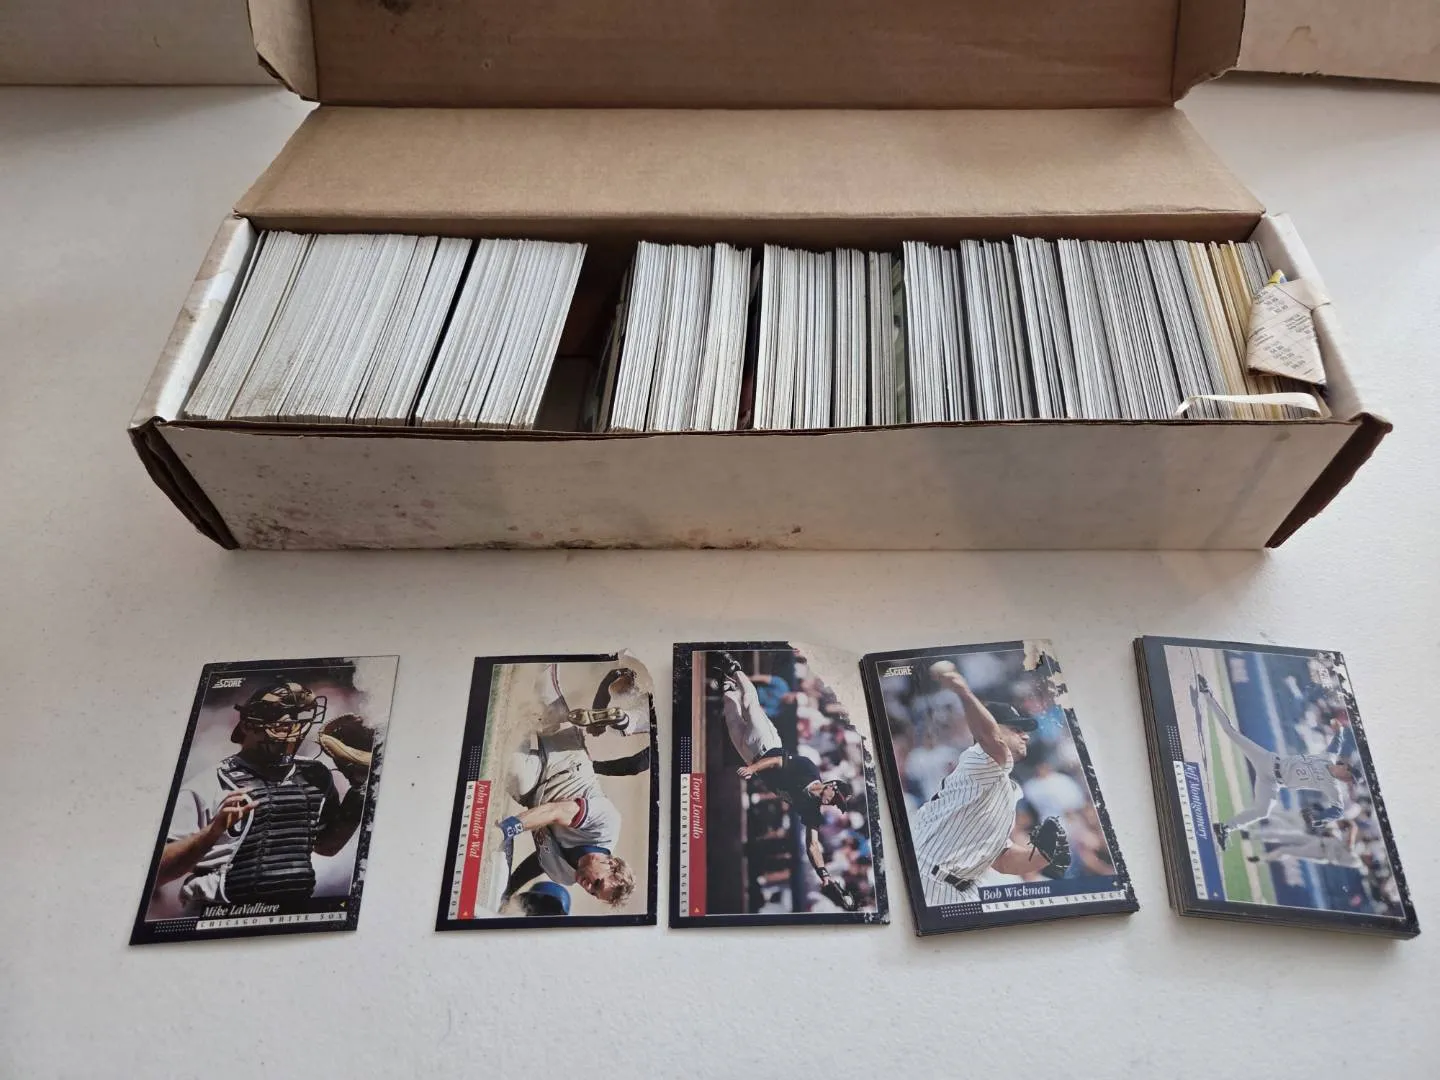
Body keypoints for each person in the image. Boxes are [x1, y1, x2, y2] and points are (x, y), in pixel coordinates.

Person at [157, 680, 373, 909]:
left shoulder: (315, 776)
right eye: (276, 713)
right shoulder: (207, 785)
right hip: (217, 912)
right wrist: (212, 832)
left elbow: (327, 847)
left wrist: (360, 789)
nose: (288, 721)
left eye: (296, 714)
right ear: (246, 725)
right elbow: (160, 871)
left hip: (290, 910)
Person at [912, 664, 1071, 905]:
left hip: (960, 889)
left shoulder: (1003, 787)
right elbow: (990, 737)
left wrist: (1043, 855)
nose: (1025, 735)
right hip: (927, 875)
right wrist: (963, 692)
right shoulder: (980, 758)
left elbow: (1003, 860)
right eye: (1016, 729)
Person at [714, 652, 857, 909]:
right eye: (836, 798)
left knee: (730, 709)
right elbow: (777, 761)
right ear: (832, 786)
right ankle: (734, 667)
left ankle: (726, 683)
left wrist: (824, 875)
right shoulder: (809, 769)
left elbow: (812, 844)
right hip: (766, 745)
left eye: (837, 804)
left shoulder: (812, 809)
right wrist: (753, 768)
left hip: (750, 757)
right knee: (750, 703)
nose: (834, 804)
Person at [495, 664, 638, 909]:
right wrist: (506, 830)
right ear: (611, 864)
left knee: (514, 771)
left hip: (532, 787)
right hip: (565, 756)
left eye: (593, 893)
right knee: (541, 681)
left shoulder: (564, 876)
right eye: (597, 884)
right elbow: (554, 812)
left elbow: (538, 862)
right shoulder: (607, 825)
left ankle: (510, 714)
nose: (588, 887)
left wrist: (507, 892)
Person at [1194, 675, 1355, 848]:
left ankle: (1224, 828)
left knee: (1262, 811)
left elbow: (1338, 811)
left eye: (1350, 780)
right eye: (1349, 775)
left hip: (1273, 783)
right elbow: (1337, 740)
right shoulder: (1329, 757)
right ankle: (1208, 693)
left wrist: (1319, 818)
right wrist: (1339, 729)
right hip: (1268, 762)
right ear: (1345, 767)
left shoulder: (1331, 785)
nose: (1347, 780)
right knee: (1232, 732)